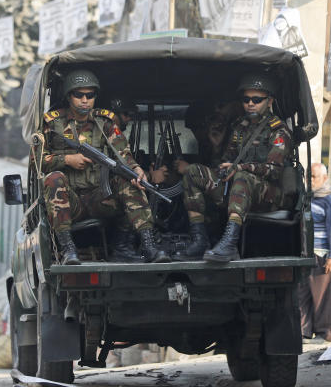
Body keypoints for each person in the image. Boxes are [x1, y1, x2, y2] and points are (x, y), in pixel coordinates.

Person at [42, 69, 169, 264]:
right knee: (54, 179)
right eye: (79, 95)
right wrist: (67, 160)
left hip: (99, 197)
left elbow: (123, 154)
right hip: (70, 202)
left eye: (90, 95)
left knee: (130, 182)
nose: (85, 100)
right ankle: (69, 250)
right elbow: (37, 160)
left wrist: (136, 169)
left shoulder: (104, 123)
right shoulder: (52, 124)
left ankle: (149, 245)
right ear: (69, 96)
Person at [180, 73, 294, 262]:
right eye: (246, 99)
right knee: (193, 172)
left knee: (242, 177)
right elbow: (225, 162)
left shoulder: (279, 131)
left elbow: (274, 171)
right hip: (237, 191)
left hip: (270, 195)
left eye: (257, 100)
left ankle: (229, 243)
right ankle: (200, 239)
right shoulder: (240, 128)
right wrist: (218, 154)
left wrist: (241, 167)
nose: (250, 104)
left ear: (270, 101)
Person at [300, 163, 331, 343]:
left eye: (314, 176)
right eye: (309, 176)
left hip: (323, 254)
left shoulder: (330, 199)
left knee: (323, 296)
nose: (310, 180)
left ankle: (324, 332)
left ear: (324, 178)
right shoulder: (308, 198)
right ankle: (304, 331)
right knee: (304, 293)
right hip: (307, 253)